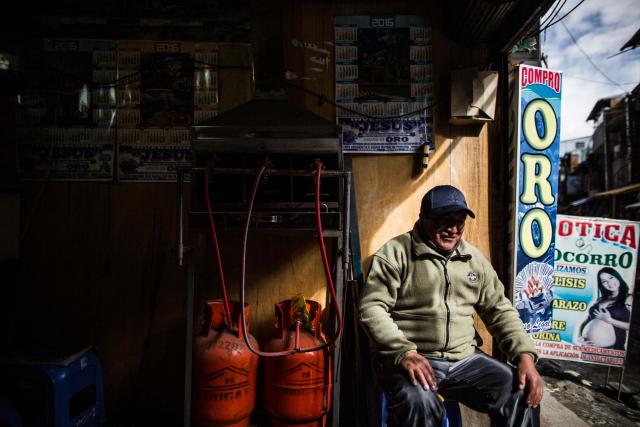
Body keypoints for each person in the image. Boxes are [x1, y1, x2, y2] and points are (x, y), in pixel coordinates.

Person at [358, 185, 544, 427]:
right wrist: (403, 352)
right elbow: (372, 307)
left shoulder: (473, 260)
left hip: (464, 359)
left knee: (521, 392)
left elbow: (499, 310)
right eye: (444, 220)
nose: (453, 229)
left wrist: (525, 356)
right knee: (419, 402)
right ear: (423, 217)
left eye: (459, 221)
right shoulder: (395, 254)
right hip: (411, 358)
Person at [578, 267, 632, 350]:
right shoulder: (600, 300)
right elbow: (586, 321)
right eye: (604, 281)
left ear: (618, 277)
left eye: (611, 278)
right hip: (586, 347)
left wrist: (609, 320)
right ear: (601, 284)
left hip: (611, 349)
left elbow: (631, 326)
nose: (609, 283)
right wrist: (580, 337)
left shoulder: (629, 298)